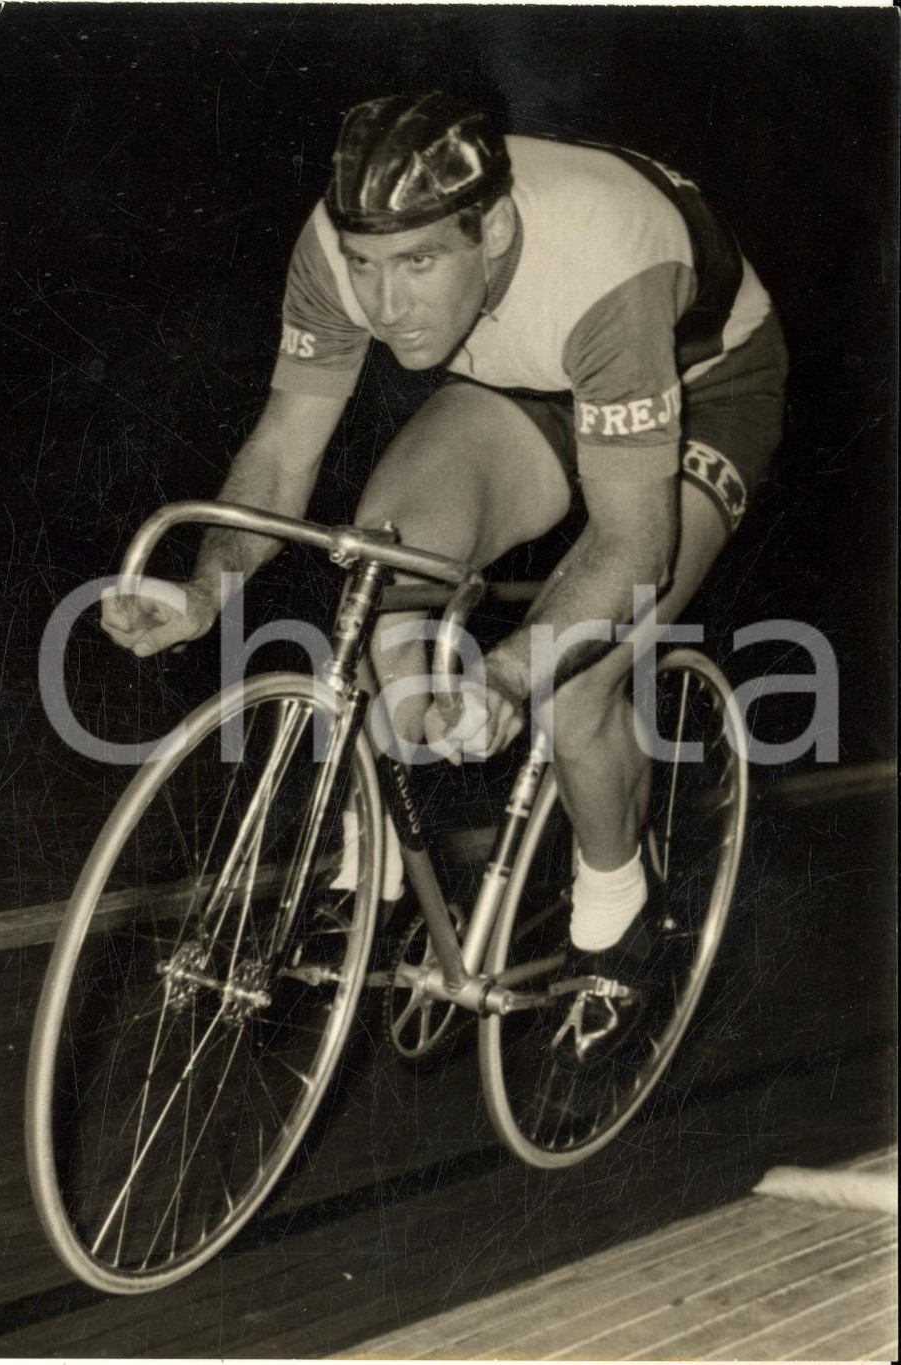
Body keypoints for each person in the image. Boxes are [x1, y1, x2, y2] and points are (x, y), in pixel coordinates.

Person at [102, 91, 787, 963]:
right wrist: (209, 586)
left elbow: (633, 546)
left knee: (573, 679)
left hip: (699, 388)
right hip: (530, 379)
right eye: (366, 266)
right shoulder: (336, 246)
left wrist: (505, 675)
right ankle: (378, 861)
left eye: (419, 262)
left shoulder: (609, 263)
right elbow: (281, 453)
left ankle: (617, 918)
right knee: (385, 572)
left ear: (492, 229)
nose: (386, 304)